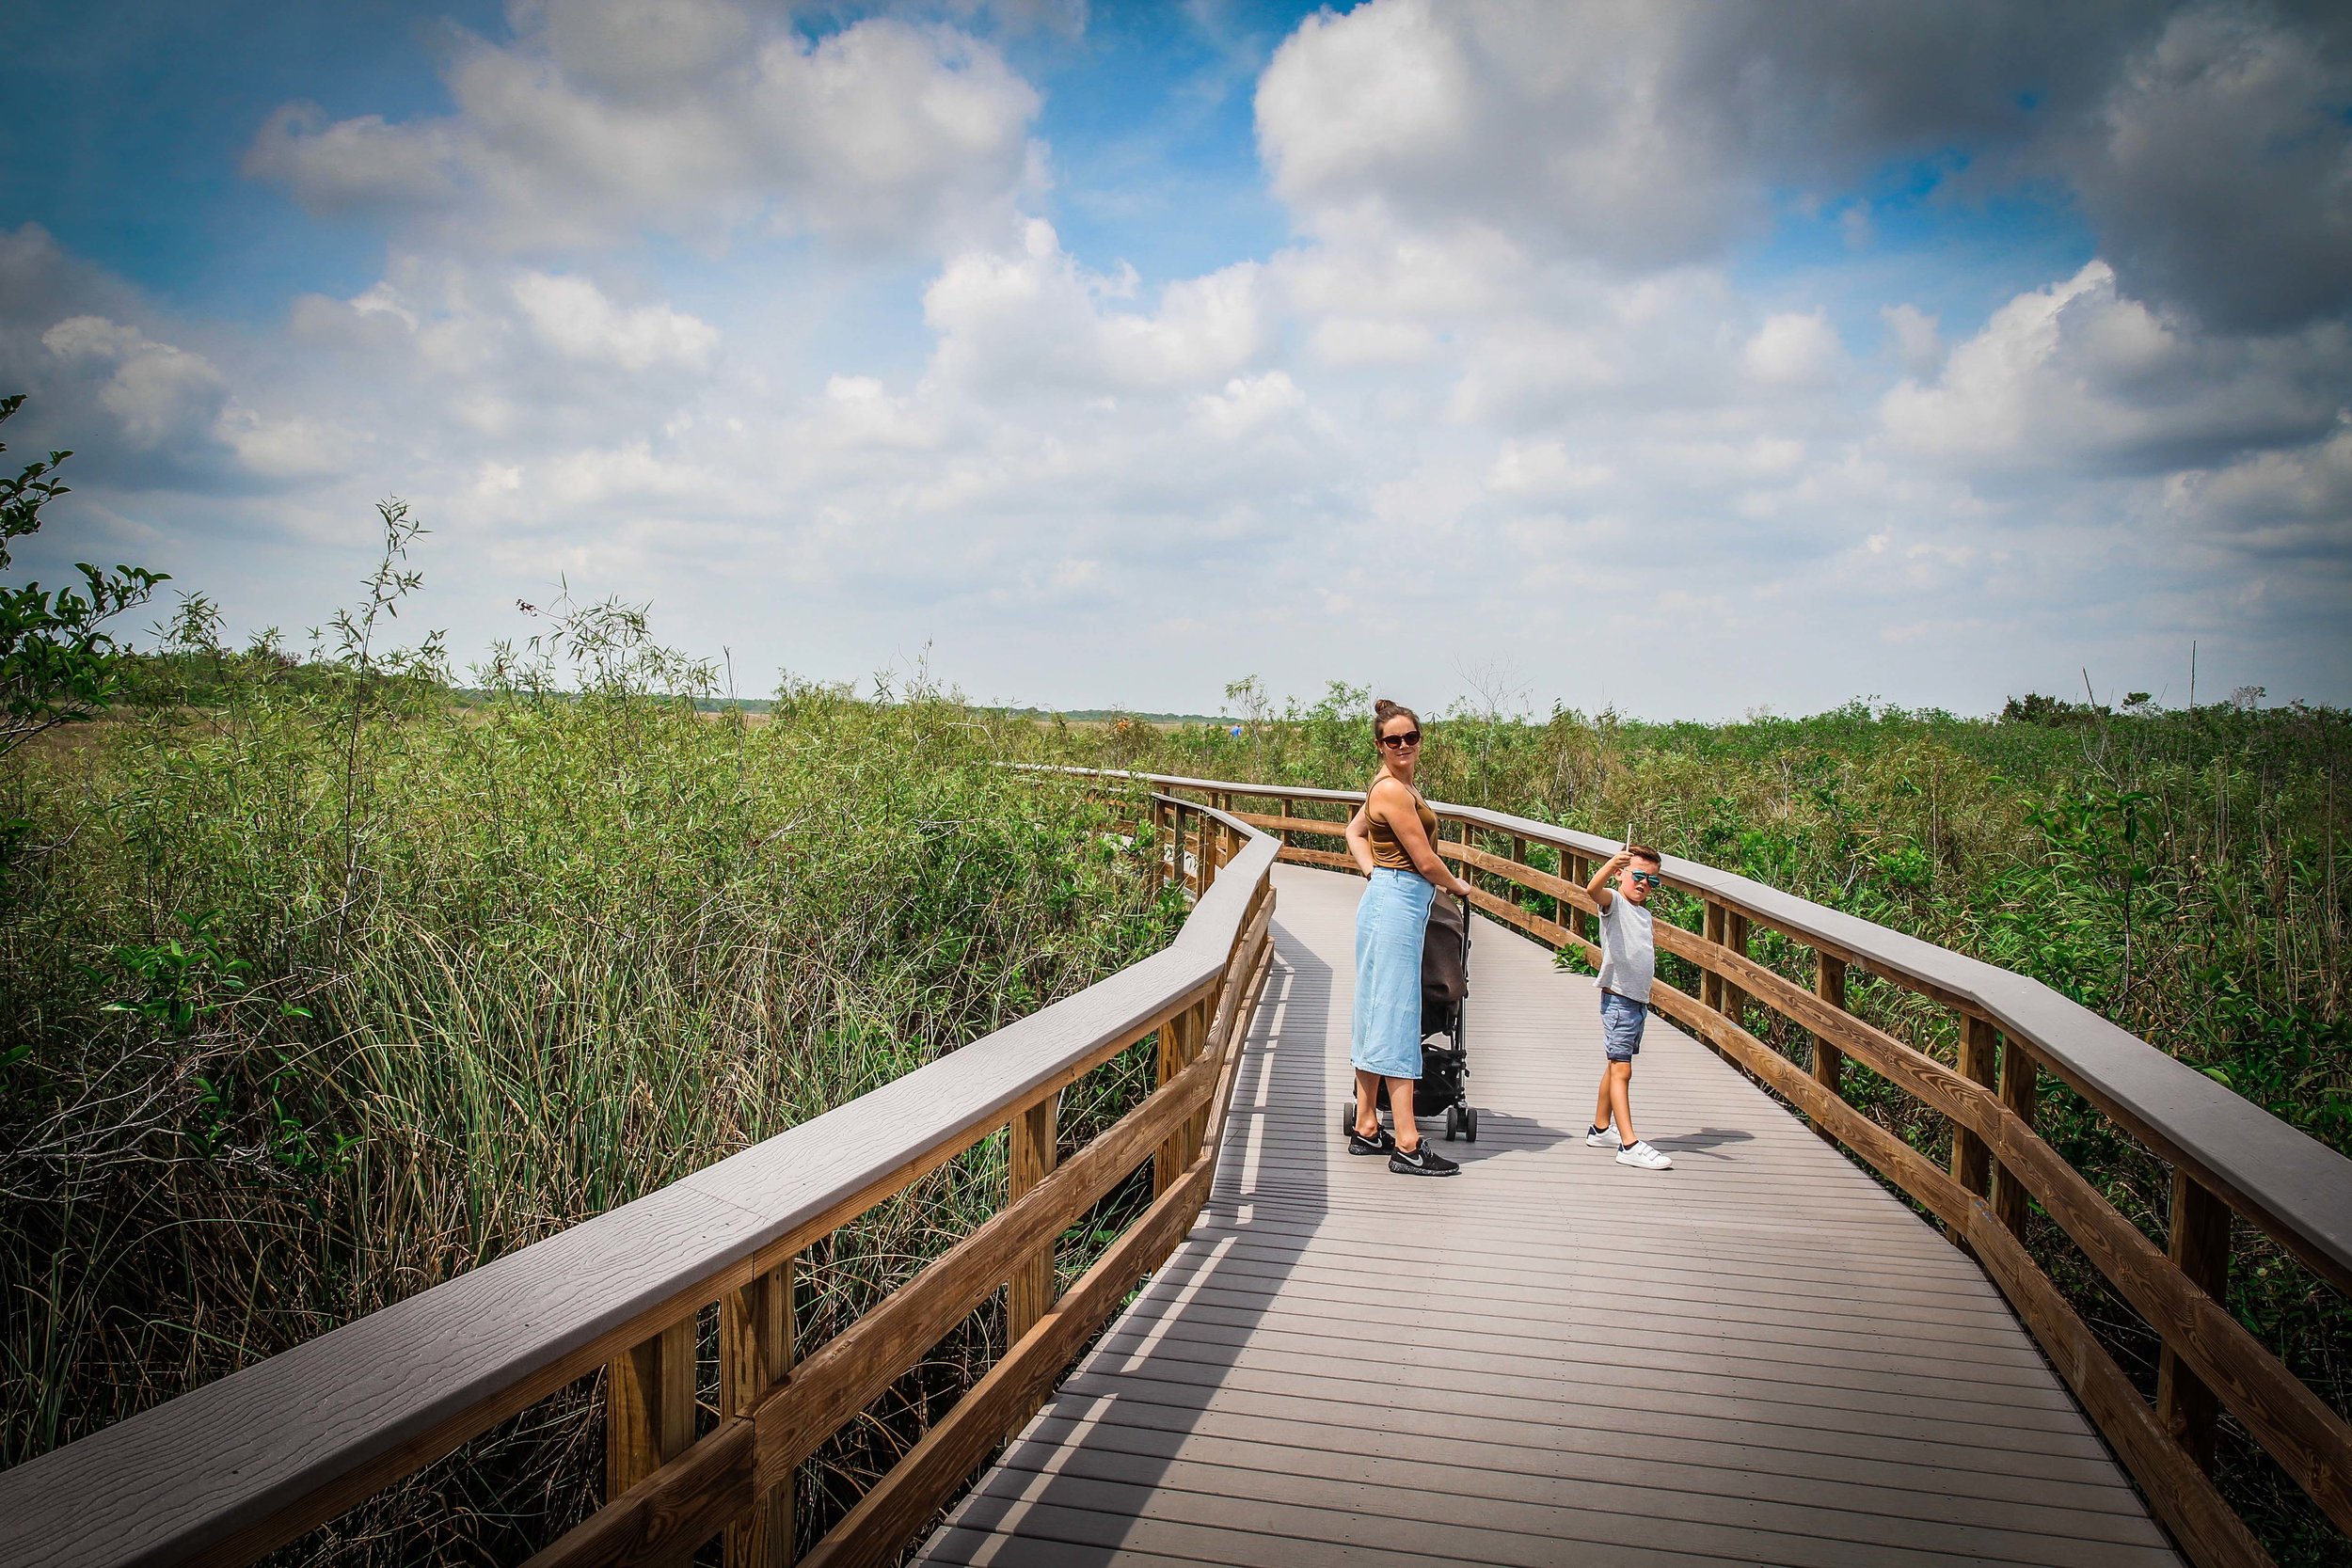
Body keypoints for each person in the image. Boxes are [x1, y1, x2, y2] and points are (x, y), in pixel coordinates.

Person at [1343, 700, 1475, 1178]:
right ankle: (1407, 1142)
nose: (1402, 746)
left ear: (1420, 740)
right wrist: (1457, 885)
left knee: (1377, 1012)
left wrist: (1373, 871)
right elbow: (1423, 860)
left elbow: (1353, 831)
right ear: (1380, 745)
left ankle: (1365, 1126)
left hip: (1392, 899)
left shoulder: (1395, 787)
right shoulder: (1393, 793)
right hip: (1396, 901)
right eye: (1392, 740)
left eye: (1409, 738)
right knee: (1396, 1016)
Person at [1585, 846, 1674, 1170]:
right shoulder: (1615, 904)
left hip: (1637, 1001)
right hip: (1619, 998)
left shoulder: (1644, 913)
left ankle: (1599, 1128)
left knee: (1615, 1066)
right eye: (1638, 876)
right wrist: (1610, 865)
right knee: (1622, 1069)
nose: (1644, 884)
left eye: (1652, 880)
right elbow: (1592, 890)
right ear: (1622, 874)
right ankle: (1629, 1143)